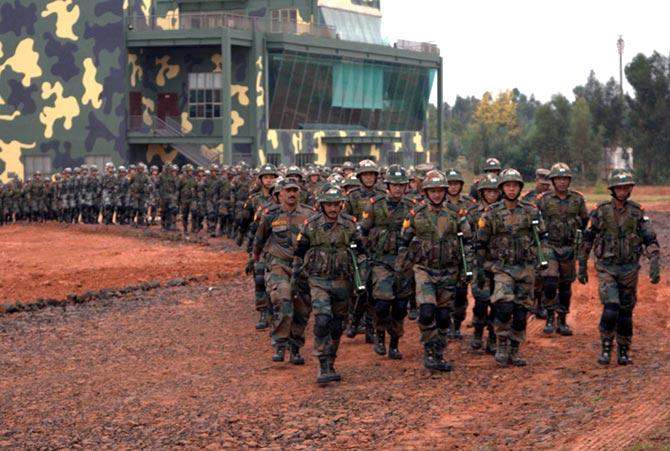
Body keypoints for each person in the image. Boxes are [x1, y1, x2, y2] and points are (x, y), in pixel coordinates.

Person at [579, 169, 660, 365]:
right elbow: (588, 238)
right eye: (619, 188)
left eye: (626, 187)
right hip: (607, 267)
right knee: (611, 307)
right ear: (612, 190)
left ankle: (624, 350)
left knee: (625, 311)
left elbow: (649, 238)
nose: (623, 191)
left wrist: (654, 260)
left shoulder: (637, 212)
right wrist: (582, 264)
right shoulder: (601, 210)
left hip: (629, 268)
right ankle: (606, 348)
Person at [398, 171, 473, 372]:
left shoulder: (456, 214)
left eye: (440, 191)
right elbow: (404, 243)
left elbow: (467, 242)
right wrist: (402, 271)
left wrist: (469, 269)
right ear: (426, 192)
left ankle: (439, 351)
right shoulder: (416, 214)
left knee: (442, 316)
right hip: (424, 269)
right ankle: (429, 348)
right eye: (433, 191)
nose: (437, 195)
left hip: (449, 271)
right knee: (426, 311)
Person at [294, 188, 365, 384]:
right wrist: (295, 277)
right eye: (329, 205)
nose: (332, 209)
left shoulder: (350, 226)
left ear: (341, 205)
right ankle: (322, 363)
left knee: (336, 325)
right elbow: (300, 253)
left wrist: (363, 276)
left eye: (336, 205)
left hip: (343, 281)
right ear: (322, 205)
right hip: (318, 281)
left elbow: (361, 253)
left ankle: (331, 359)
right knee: (323, 320)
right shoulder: (312, 225)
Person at [477, 168, 547, 367]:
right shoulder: (491, 213)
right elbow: (481, 243)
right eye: (507, 185)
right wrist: (482, 270)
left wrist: (542, 261)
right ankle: (501, 343)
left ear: (520, 188)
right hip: (501, 268)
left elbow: (542, 238)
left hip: (525, 267)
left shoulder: (531, 211)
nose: (511, 189)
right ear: (501, 188)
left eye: (515, 186)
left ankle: (515, 348)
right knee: (504, 306)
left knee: (520, 312)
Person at [253, 178, 314, 364]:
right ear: (280, 194)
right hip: (279, 265)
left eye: (295, 190)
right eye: (288, 191)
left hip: (302, 267)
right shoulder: (271, 214)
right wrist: (256, 259)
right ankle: (280, 344)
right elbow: (260, 239)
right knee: (283, 299)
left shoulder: (309, 214)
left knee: (302, 309)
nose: (292, 194)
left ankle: (295, 348)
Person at [359, 165, 414, 359]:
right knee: (382, 303)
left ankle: (395, 343)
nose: (398, 189)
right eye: (394, 185)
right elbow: (363, 232)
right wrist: (367, 256)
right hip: (380, 261)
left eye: (401, 185)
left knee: (400, 307)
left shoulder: (411, 207)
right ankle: (380, 334)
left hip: (403, 263)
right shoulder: (375, 204)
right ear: (387, 186)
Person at [536, 163, 588, 336]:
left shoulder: (577, 199)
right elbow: (536, 220)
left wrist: (579, 241)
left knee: (565, 285)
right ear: (553, 180)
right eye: (559, 179)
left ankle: (563, 320)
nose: (562, 182)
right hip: (549, 245)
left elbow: (584, 220)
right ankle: (550, 315)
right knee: (550, 281)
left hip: (568, 247)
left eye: (565, 179)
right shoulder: (543, 199)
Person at [466, 173, 501, 353]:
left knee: (497, 301)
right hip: (478, 262)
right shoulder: (472, 214)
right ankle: (478, 331)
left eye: (495, 191)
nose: (492, 195)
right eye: (488, 191)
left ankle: (493, 336)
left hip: (499, 262)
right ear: (482, 193)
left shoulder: (504, 212)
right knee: (481, 300)